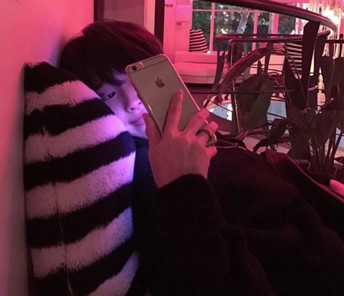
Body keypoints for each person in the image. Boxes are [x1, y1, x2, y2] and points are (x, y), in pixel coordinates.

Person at [59, 20, 344, 296]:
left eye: (135, 80)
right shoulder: (148, 170)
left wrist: (317, 181)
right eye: (108, 94)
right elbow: (196, 276)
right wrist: (182, 184)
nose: (131, 101)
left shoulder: (191, 135)